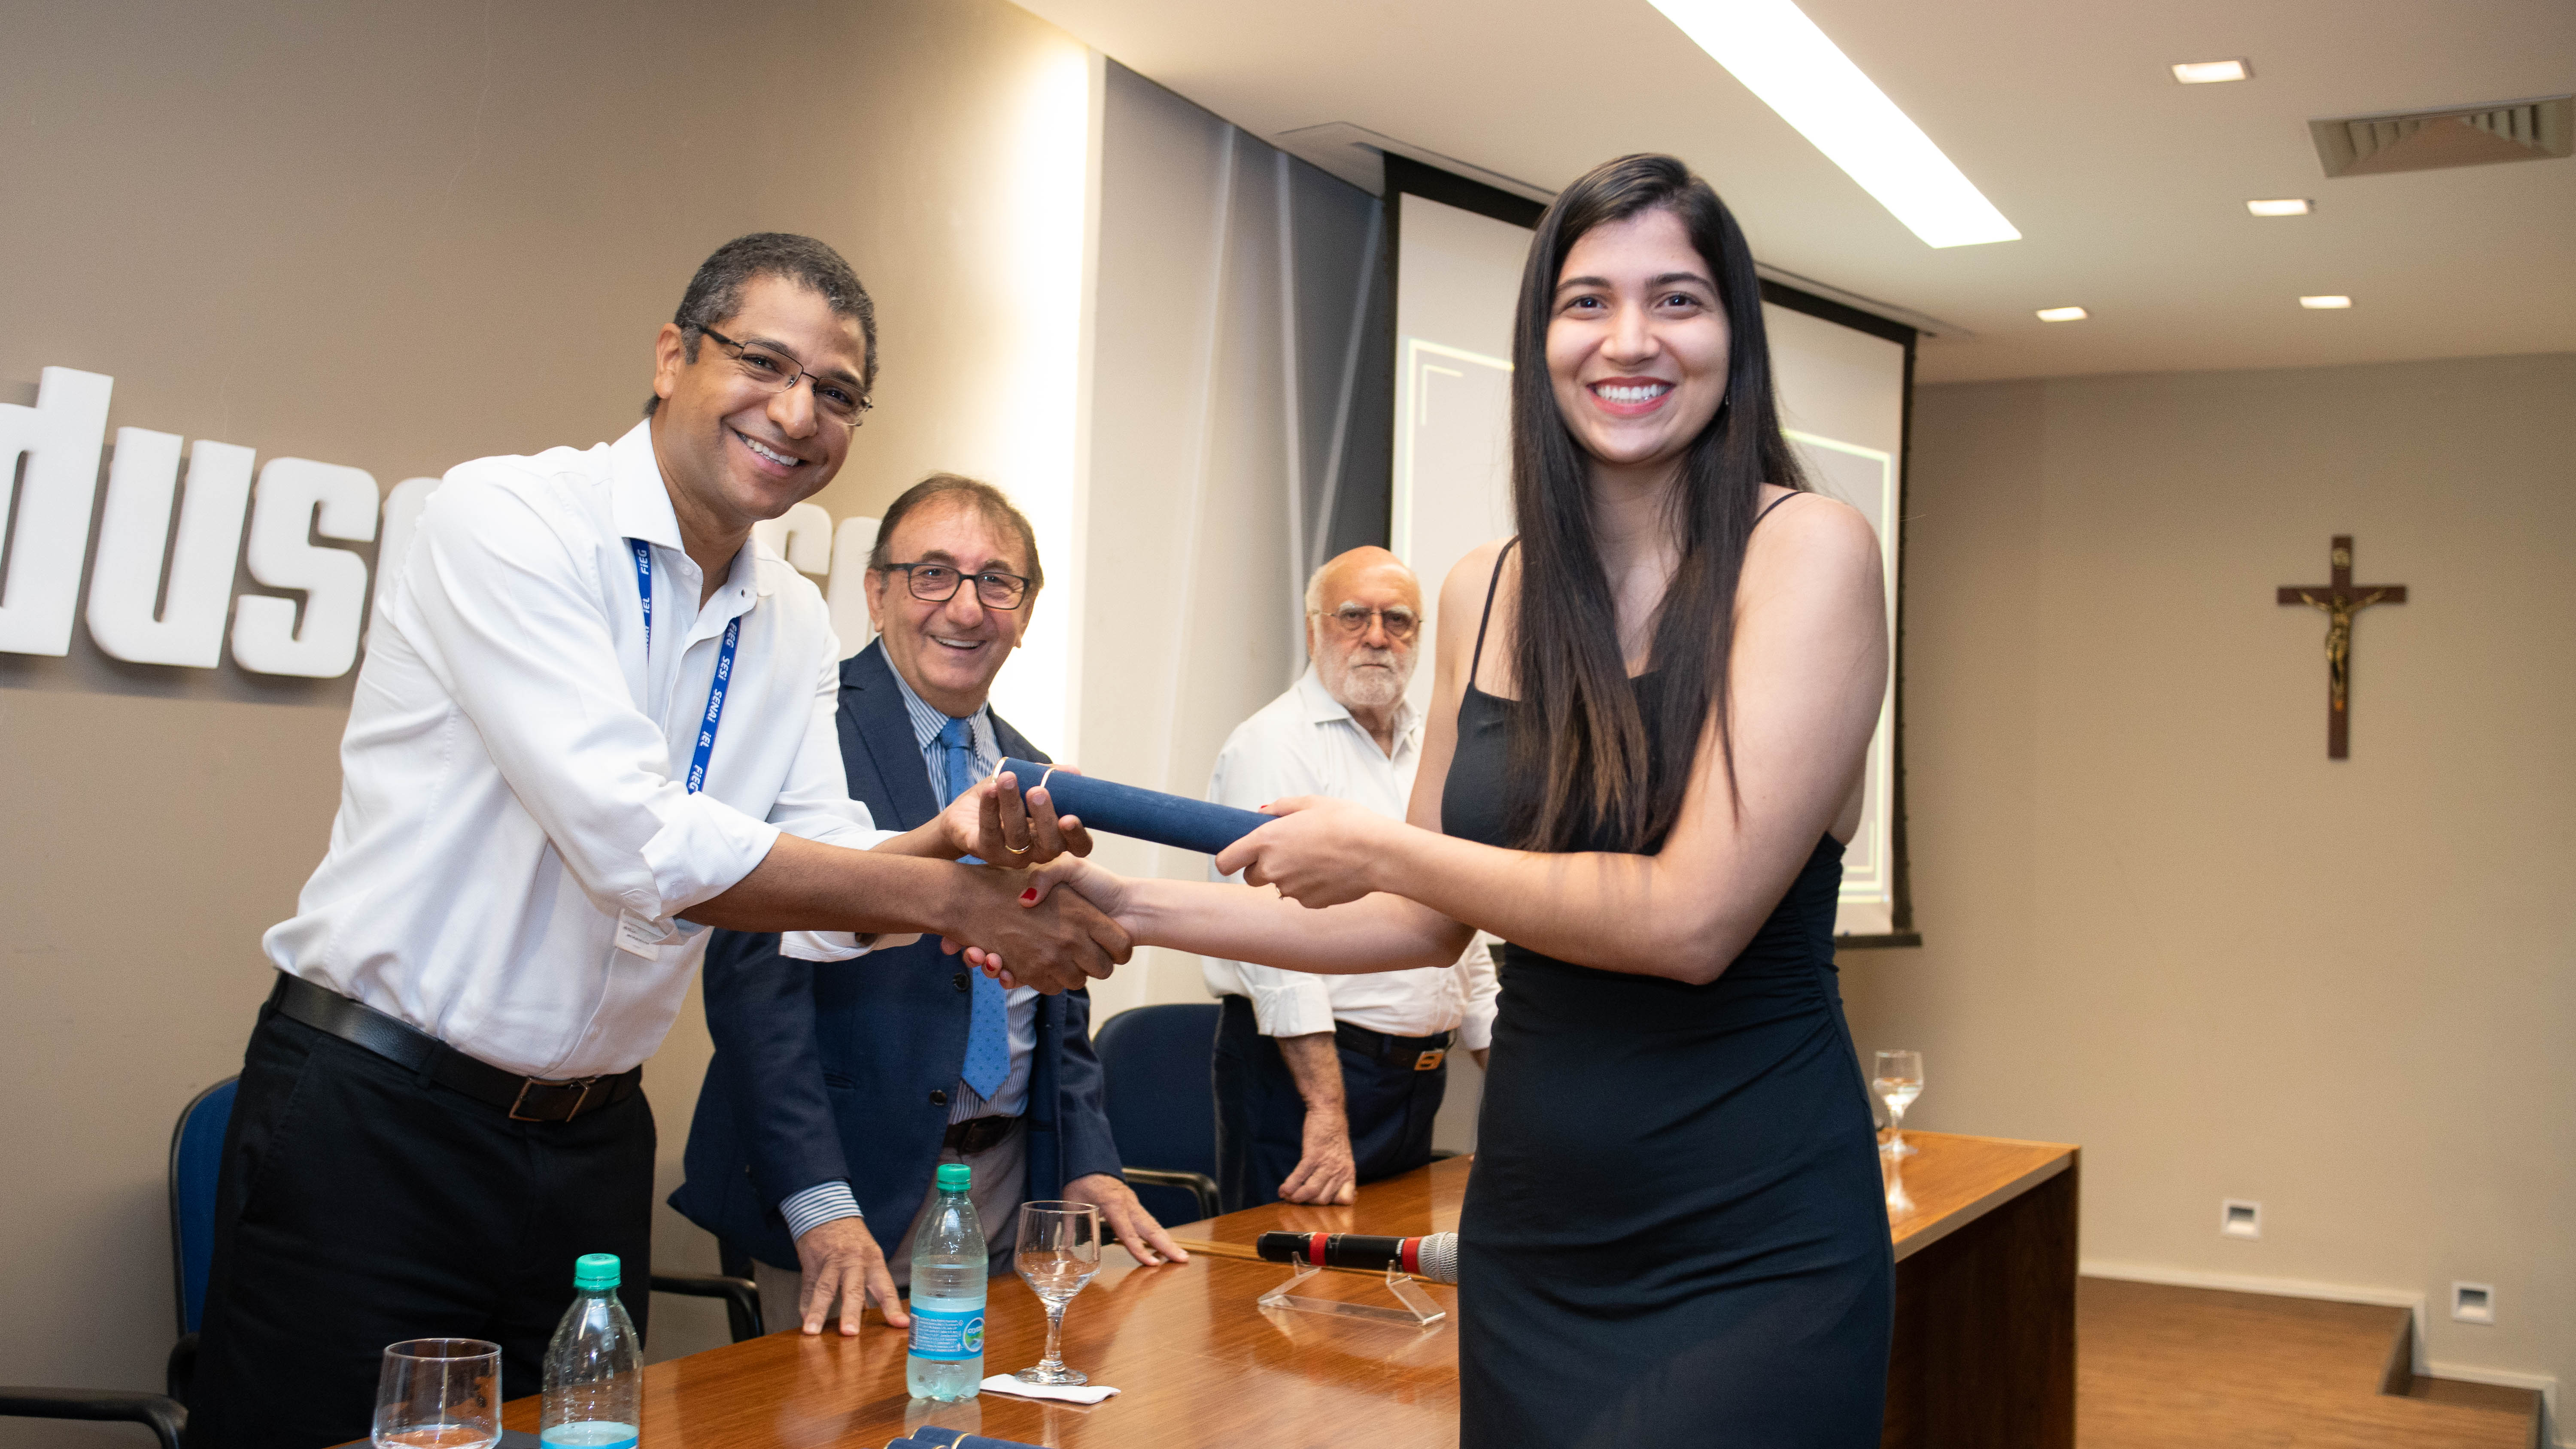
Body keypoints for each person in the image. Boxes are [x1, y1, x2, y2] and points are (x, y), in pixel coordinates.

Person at [984, 155, 1896, 1444]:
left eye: (1677, 300)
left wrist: (1382, 848)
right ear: (1541, 340)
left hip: (1751, 1240)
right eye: (1588, 302)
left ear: (1733, 336)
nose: (1629, 339)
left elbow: (1692, 919)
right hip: (1535, 1230)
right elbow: (1417, 927)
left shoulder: (1808, 550)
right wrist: (1124, 902)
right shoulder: (1489, 585)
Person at [188, 235, 1118, 1449]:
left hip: (590, 1143)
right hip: (382, 1118)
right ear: (674, 356)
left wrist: (947, 843)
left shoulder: (788, 615)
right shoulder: (509, 518)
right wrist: (953, 902)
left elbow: (825, 887)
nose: (798, 413)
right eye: (763, 363)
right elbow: (638, 844)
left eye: (837, 392)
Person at [674, 473, 1188, 1339]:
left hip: (1008, 1190)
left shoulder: (1036, 773)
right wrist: (821, 1203)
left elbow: (1058, 1001)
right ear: (877, 594)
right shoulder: (803, 732)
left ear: (1027, 612)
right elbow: (756, 991)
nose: (967, 607)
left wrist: (1088, 1162)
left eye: (998, 582)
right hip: (849, 1193)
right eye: (933, 574)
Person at [1200, 546, 1497, 1210]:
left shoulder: (1434, 748)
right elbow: (1271, 942)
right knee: (1286, 1269)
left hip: (1416, 1082)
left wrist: (1507, 1081)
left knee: (1383, 1269)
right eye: (1354, 616)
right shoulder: (1274, 743)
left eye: (1399, 620)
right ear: (1314, 630)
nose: (1377, 637)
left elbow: (1461, 911)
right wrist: (1327, 1108)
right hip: (1305, 1079)